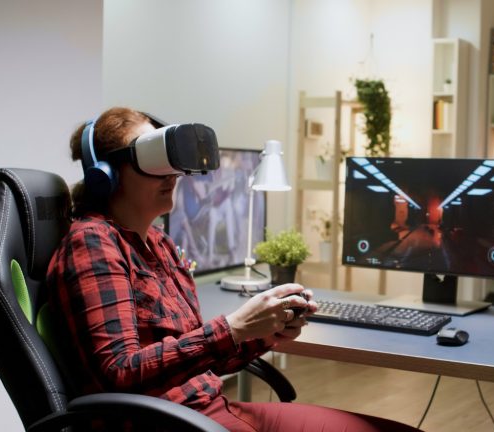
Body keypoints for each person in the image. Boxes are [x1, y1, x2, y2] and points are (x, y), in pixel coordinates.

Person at [47, 107, 422, 431]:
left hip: (208, 410)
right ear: (106, 174)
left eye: (172, 162)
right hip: (171, 423)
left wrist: (265, 332)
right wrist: (233, 328)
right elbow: (121, 371)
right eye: (152, 160)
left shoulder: (160, 245)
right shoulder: (93, 243)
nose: (172, 174)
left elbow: (196, 356)